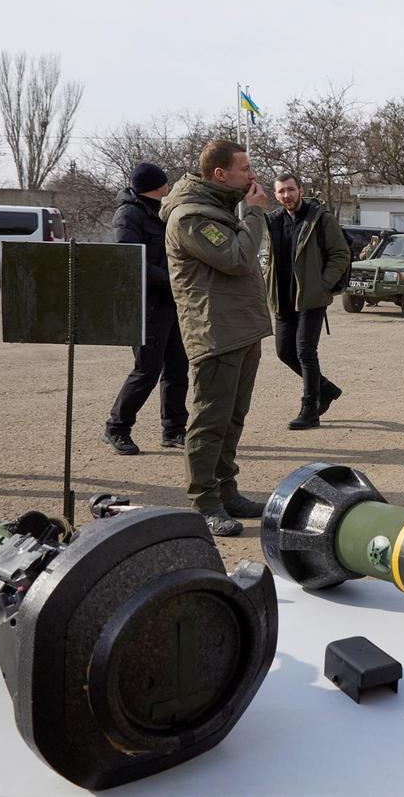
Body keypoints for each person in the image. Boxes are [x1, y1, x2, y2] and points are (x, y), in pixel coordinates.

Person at [160, 139, 272, 537]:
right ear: (219, 174)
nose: (252, 175)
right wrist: (255, 214)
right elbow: (239, 258)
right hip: (215, 333)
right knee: (210, 421)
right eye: (245, 169)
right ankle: (205, 502)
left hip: (239, 329)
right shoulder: (191, 216)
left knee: (232, 419)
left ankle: (227, 491)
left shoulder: (217, 208)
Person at [101, 162, 189, 455]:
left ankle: (174, 429)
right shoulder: (128, 215)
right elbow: (131, 262)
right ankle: (116, 428)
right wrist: (173, 279)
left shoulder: (163, 210)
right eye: (166, 182)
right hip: (146, 304)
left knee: (178, 368)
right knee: (146, 371)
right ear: (158, 185)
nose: (169, 186)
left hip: (172, 301)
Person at [264, 173, 350, 430]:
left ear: (301, 190)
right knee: (283, 351)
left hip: (311, 298)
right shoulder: (274, 221)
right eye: (281, 192)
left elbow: (340, 253)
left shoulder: (320, 219)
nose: (286, 196)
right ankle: (326, 388)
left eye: (290, 190)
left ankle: (310, 408)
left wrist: (322, 285)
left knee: (305, 352)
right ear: (275, 195)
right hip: (283, 298)